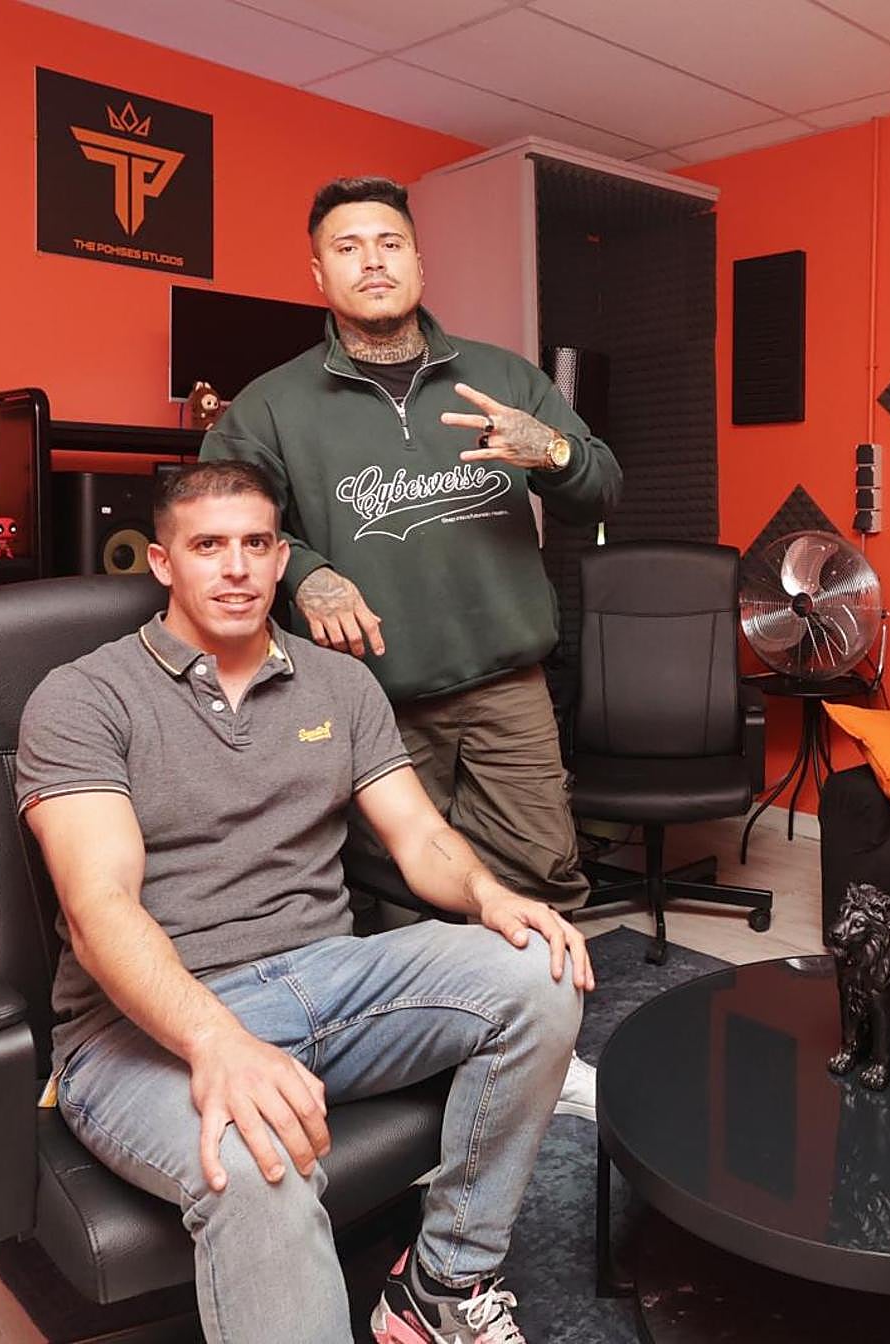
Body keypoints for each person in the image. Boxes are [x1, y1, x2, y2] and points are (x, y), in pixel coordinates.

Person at [17, 461, 590, 1344]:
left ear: (283, 558)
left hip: (329, 979)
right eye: (208, 546)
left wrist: (489, 895)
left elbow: (419, 835)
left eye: (256, 543)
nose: (236, 568)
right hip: (147, 1026)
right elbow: (100, 911)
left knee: (539, 974)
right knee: (257, 1158)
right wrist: (216, 1041)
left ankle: (442, 1285)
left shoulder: (340, 684)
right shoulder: (85, 696)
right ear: (163, 562)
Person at [201, 174, 621, 1119]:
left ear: (420, 264)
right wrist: (306, 573)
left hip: (509, 683)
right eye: (348, 247)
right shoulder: (269, 407)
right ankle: (428, 1073)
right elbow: (220, 522)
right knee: (397, 888)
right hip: (367, 700)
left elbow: (602, 487)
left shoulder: (505, 376)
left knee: (539, 872)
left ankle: (543, 1057)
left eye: (389, 242)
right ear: (319, 273)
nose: (373, 261)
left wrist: (552, 453)